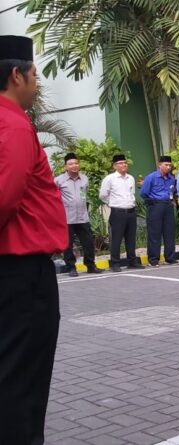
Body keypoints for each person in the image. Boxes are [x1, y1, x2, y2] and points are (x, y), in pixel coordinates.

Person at [0, 34, 67, 445]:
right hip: (20, 278)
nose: (37, 83)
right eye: (35, 75)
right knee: (20, 383)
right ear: (16, 75)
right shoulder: (11, 125)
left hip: (13, 275)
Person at [55, 153, 104, 277]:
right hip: (67, 218)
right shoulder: (59, 180)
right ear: (65, 166)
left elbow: (84, 194)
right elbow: (53, 196)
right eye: (70, 164)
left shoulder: (84, 179)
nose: (74, 166)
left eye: (76, 163)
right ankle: (71, 267)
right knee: (68, 245)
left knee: (88, 242)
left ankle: (90, 265)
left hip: (83, 217)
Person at [100, 154, 144, 272]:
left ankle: (132, 261)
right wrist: (113, 203)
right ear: (114, 166)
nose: (123, 165)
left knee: (131, 238)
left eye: (125, 163)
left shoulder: (130, 178)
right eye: (120, 163)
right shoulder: (110, 179)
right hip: (117, 212)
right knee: (116, 239)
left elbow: (132, 193)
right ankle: (115, 263)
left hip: (131, 211)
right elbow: (103, 195)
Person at [140, 156, 178, 267]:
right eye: (166, 165)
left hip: (168, 205)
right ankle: (153, 259)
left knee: (169, 232)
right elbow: (143, 193)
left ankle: (170, 257)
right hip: (155, 205)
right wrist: (152, 201)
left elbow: (173, 192)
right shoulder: (151, 177)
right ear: (159, 165)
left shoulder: (171, 179)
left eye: (170, 165)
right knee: (154, 233)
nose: (168, 167)